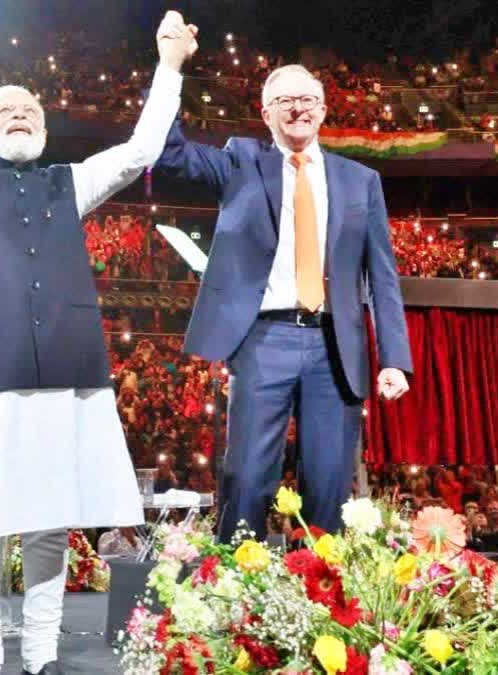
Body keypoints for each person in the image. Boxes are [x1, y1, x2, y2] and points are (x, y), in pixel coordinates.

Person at [0, 13, 195, 675]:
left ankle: (39, 656)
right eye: (6, 109)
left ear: (46, 128)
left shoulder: (70, 182)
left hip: (65, 378)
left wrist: (169, 68)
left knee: (47, 524)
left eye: (30, 108)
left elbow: (143, 151)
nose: (20, 113)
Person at [153, 60, 413, 540]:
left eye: (307, 100)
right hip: (262, 339)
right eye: (285, 101)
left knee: (330, 486)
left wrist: (394, 358)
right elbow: (167, 154)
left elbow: (382, 277)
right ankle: (234, 591)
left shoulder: (361, 181)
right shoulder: (239, 161)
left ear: (323, 109)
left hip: (335, 348)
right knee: (247, 478)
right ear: (266, 112)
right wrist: (170, 68)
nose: (298, 108)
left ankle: (324, 602)